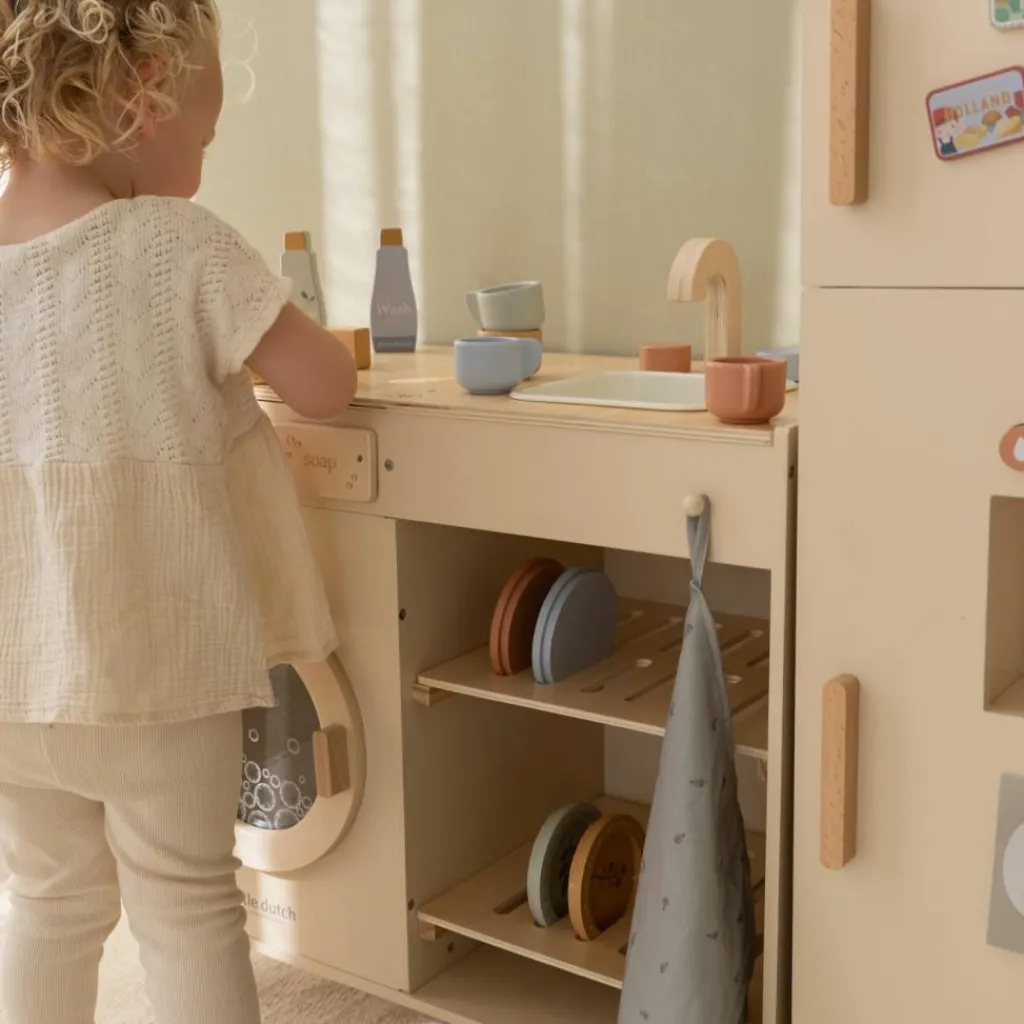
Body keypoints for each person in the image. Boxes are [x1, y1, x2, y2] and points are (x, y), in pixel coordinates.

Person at [0, 2, 357, 1022]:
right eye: (205, 128)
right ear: (144, 90)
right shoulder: (175, 243)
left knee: (48, 899)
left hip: (12, 678)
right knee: (186, 904)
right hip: (159, 667)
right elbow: (325, 385)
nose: (205, 147)